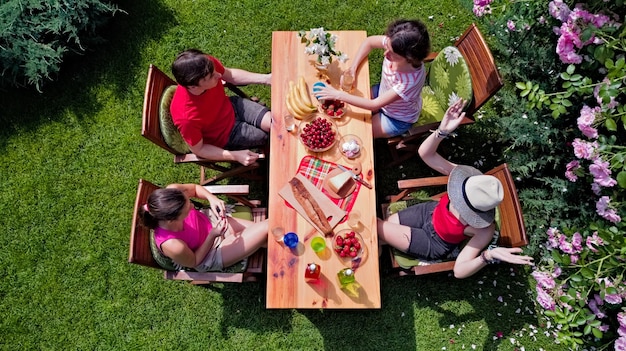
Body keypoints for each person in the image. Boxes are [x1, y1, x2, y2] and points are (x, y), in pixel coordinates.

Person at [377, 99, 533, 278]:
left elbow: (459, 271)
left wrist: (488, 255)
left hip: (433, 243)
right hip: (427, 212)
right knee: (381, 235)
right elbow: (425, 154)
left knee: (377, 227)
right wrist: (442, 131)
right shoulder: (468, 181)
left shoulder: (485, 230)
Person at [315, 19, 430, 138]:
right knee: (348, 110)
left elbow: (374, 105)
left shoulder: (408, 83)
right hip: (382, 93)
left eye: (391, 54)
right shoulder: (396, 43)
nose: (385, 54)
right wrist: (353, 68)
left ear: (409, 58)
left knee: (359, 132)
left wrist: (336, 94)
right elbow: (369, 42)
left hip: (397, 118)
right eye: (387, 48)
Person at [170, 49, 272, 166]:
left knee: (275, 125)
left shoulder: (205, 64)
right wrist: (234, 156)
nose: (219, 75)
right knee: (268, 137)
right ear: (193, 87)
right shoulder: (185, 118)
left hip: (233, 106)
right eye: (212, 76)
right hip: (226, 135)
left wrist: (266, 79)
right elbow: (199, 149)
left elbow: (230, 75)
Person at [139, 183, 267, 272]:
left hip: (212, 221)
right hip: (210, 253)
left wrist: (212, 199)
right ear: (172, 220)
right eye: (187, 209)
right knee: (266, 230)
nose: (193, 207)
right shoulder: (172, 245)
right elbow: (194, 261)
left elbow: (194, 189)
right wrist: (212, 235)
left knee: (267, 235)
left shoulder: (173, 191)